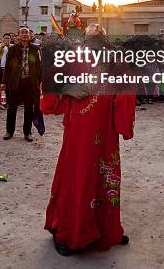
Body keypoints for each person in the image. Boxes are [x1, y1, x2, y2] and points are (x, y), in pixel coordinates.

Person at [41, 26, 136, 256]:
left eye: (99, 33)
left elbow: (128, 86)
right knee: (78, 174)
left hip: (105, 130)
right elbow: (49, 79)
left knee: (104, 175)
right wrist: (66, 88)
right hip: (79, 131)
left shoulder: (115, 60)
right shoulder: (73, 57)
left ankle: (107, 229)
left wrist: (121, 107)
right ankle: (68, 231)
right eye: (91, 33)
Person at [2, 26, 41, 141]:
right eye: (22, 33)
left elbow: (38, 67)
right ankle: (9, 131)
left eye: (27, 33)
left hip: (30, 83)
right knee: (12, 108)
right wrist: (4, 82)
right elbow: (8, 68)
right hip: (15, 82)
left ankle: (27, 132)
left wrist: (40, 82)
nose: (25, 34)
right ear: (18, 36)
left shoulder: (35, 49)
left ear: (30, 36)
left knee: (29, 108)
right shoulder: (13, 49)